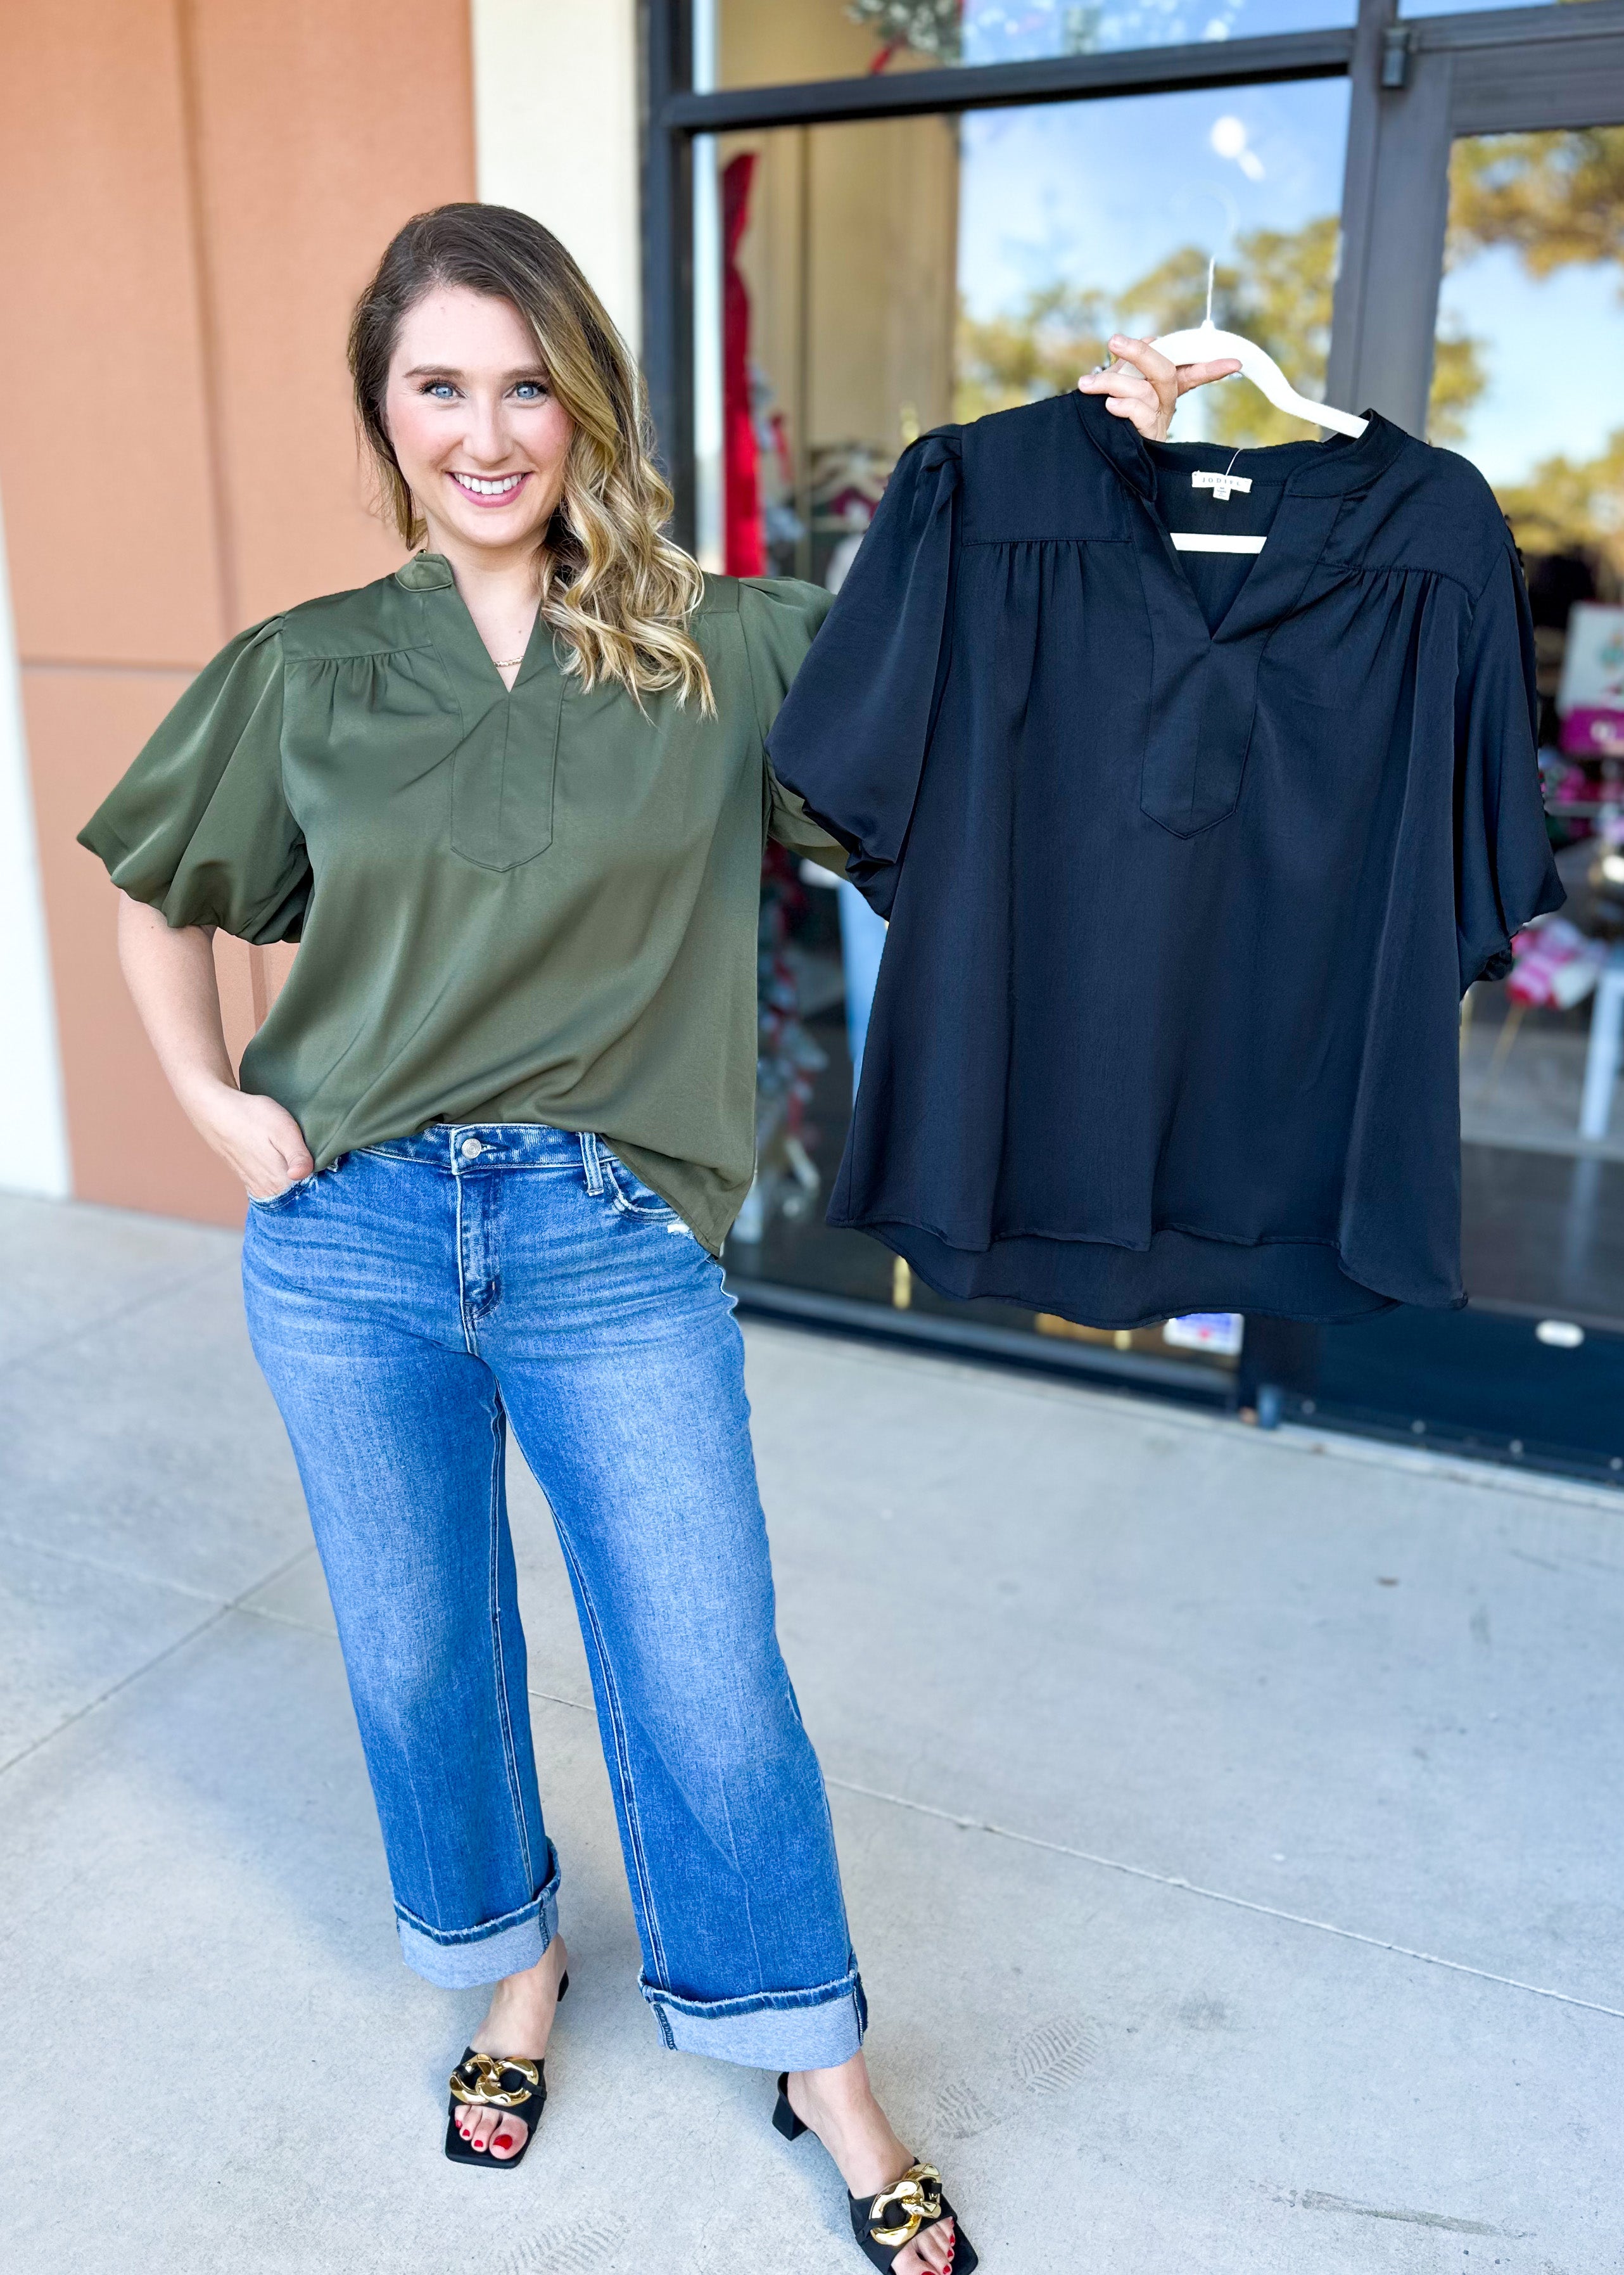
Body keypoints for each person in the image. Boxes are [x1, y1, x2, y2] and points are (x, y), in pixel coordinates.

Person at [79, 190, 1226, 2262]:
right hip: (348, 1241)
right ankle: (515, 1972)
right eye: (440, 386)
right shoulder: (309, 670)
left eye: (527, 385)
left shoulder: (727, 645)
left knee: (701, 1671)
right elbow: (163, 881)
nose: (487, 431)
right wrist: (204, 1096)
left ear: (588, 403)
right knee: (424, 1654)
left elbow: (979, 662)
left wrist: (1100, 447)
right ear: (387, 411)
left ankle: (817, 2062)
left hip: (615, 1242)